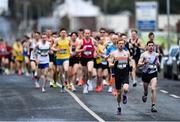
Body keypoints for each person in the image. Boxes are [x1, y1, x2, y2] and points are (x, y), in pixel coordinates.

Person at [109, 39, 131, 115]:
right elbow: (110, 64)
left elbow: (129, 62)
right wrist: (115, 63)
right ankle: (119, 106)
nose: (121, 45)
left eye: (122, 43)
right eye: (119, 43)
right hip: (117, 74)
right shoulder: (113, 53)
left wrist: (130, 68)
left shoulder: (127, 53)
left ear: (124, 44)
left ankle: (124, 95)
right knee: (118, 93)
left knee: (125, 88)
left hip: (125, 73)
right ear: (117, 45)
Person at [138, 40, 159, 112]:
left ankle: (153, 106)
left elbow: (158, 63)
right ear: (147, 46)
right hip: (145, 74)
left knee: (153, 89)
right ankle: (145, 94)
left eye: (152, 45)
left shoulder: (156, 54)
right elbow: (138, 64)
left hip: (153, 73)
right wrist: (144, 62)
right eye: (149, 45)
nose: (151, 47)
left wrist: (157, 63)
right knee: (146, 91)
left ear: (154, 47)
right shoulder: (143, 55)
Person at [76, 29, 95, 94]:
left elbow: (96, 47)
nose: (87, 35)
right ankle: (85, 86)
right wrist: (82, 50)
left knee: (90, 70)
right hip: (83, 58)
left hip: (90, 58)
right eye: (86, 33)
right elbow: (76, 50)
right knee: (84, 74)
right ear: (84, 34)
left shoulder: (92, 40)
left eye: (88, 33)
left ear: (90, 34)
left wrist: (95, 53)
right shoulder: (81, 41)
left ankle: (90, 81)